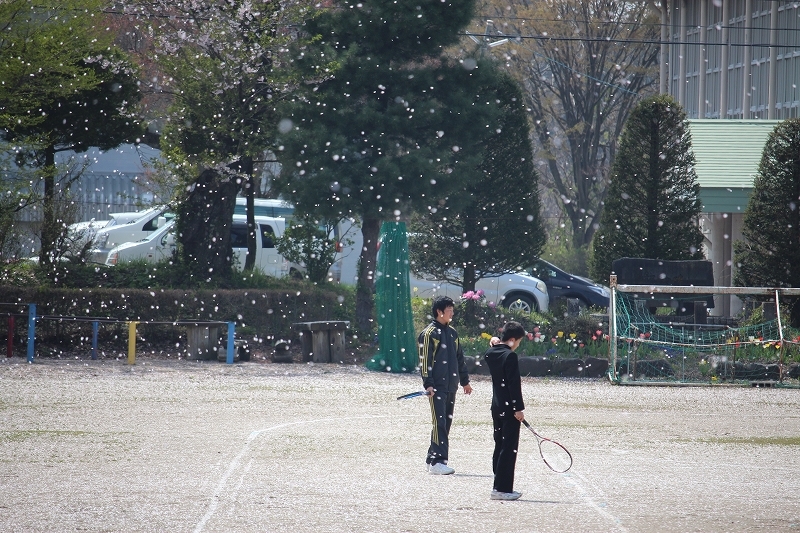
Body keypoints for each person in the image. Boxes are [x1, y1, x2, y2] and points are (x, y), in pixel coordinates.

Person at [418, 295, 472, 475]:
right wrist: (428, 384)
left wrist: (465, 381)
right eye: (449, 309)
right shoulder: (428, 334)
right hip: (437, 387)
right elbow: (425, 361)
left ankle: (431, 458)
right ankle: (438, 461)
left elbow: (459, 359)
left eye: (452, 309)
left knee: (446, 422)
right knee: (439, 422)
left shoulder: (453, 333)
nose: (452, 312)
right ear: (439, 312)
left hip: (451, 386)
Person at [483, 321, 526, 500]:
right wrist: (519, 409)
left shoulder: (491, 353)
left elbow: (493, 348)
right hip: (509, 409)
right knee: (509, 448)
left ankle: (497, 483)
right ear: (512, 339)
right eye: (518, 342)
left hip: (497, 406)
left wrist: (496, 341)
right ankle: (502, 489)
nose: (517, 346)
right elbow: (514, 385)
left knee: (500, 445)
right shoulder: (510, 357)